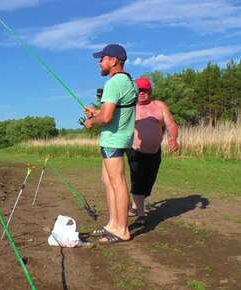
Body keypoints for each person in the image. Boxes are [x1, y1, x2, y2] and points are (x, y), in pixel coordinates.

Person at [83, 44, 137, 244]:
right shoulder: (129, 81)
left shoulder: (113, 83)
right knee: (107, 180)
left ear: (113, 60)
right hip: (120, 138)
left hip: (113, 139)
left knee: (117, 182)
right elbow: (118, 111)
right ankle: (113, 224)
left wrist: (91, 122)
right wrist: (96, 113)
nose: (99, 62)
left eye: (102, 58)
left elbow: (106, 118)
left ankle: (122, 229)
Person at [127, 77, 179, 226]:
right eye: (139, 90)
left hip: (155, 152)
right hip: (135, 150)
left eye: (144, 90)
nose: (141, 93)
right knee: (137, 179)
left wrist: (173, 139)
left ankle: (136, 205)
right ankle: (141, 215)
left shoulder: (159, 106)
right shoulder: (129, 107)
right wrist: (95, 114)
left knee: (148, 181)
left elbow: (171, 125)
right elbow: (110, 113)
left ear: (150, 91)